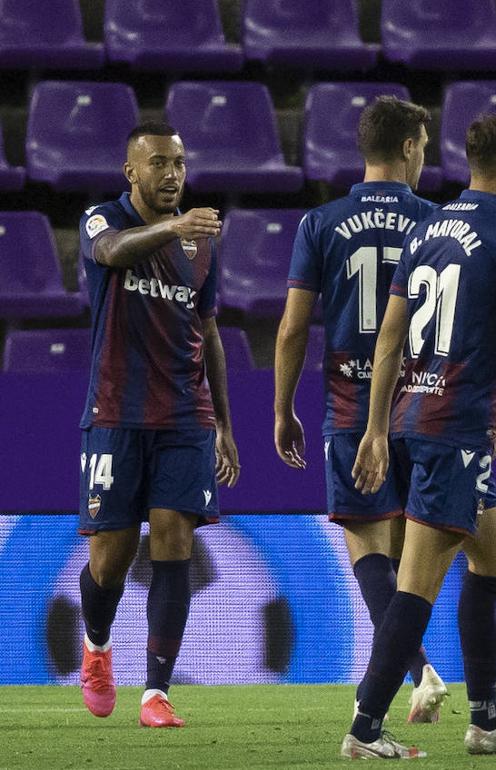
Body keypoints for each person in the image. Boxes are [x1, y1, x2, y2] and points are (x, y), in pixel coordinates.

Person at [340, 113, 496, 760]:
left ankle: (486, 718)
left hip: (416, 418)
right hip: (451, 430)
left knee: (494, 552)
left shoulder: (429, 227)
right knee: (417, 585)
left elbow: (391, 337)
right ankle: (364, 730)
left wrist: (376, 428)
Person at [274, 96, 448, 723]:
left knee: (369, 549)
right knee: (414, 554)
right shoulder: (438, 222)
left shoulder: (320, 223)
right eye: (424, 146)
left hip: (351, 405)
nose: (425, 157)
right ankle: (451, 692)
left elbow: (294, 328)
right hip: (427, 403)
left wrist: (281, 408)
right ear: (406, 148)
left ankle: (418, 671)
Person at [76, 120, 240, 728]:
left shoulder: (204, 246)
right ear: (131, 173)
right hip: (116, 412)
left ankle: (156, 693)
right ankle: (96, 647)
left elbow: (210, 329)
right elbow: (111, 253)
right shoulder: (103, 218)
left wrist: (224, 423)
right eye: (159, 164)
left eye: (179, 163)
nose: (172, 174)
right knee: (108, 562)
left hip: (183, 414)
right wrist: (174, 225)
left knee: (175, 538)